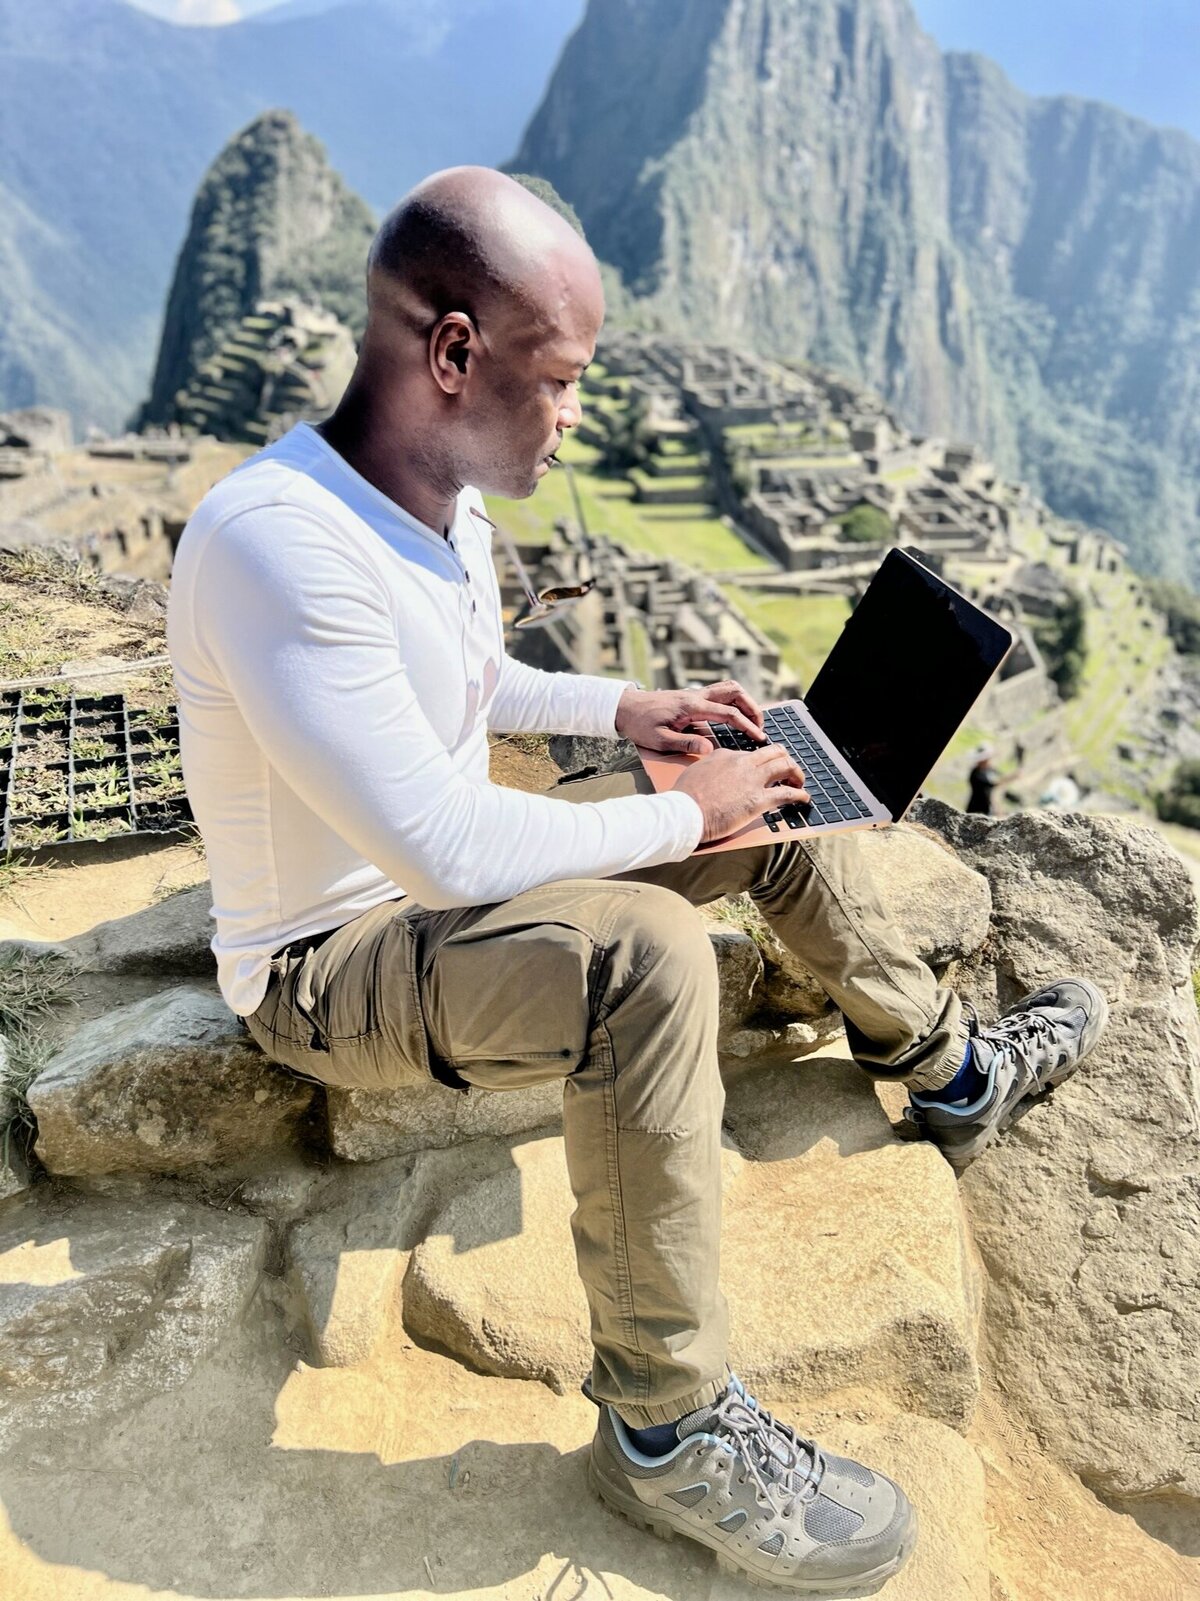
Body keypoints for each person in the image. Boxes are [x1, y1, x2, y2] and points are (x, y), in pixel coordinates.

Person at [167, 168, 1107, 1594]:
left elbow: (475, 678)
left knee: (766, 776)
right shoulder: (275, 543)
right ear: (455, 353)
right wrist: (674, 815)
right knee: (644, 959)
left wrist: (636, 720)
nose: (573, 416)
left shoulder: (434, 495)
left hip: (444, 900)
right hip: (326, 961)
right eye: (558, 382)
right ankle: (666, 1428)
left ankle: (943, 1062)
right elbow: (440, 848)